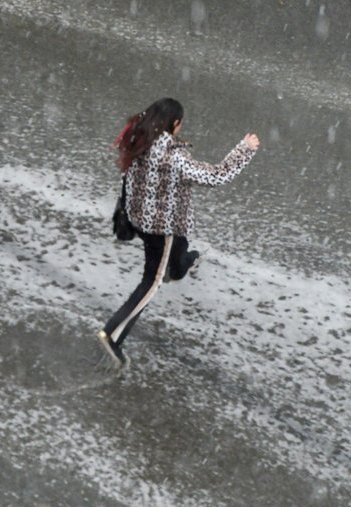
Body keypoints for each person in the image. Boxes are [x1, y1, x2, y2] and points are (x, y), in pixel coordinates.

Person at [98, 98, 260, 366]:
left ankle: (184, 262)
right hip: (163, 229)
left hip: (141, 220)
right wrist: (245, 149)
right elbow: (216, 176)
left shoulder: (137, 139)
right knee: (150, 283)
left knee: (176, 259)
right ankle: (112, 335)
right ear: (174, 124)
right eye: (180, 124)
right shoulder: (173, 156)